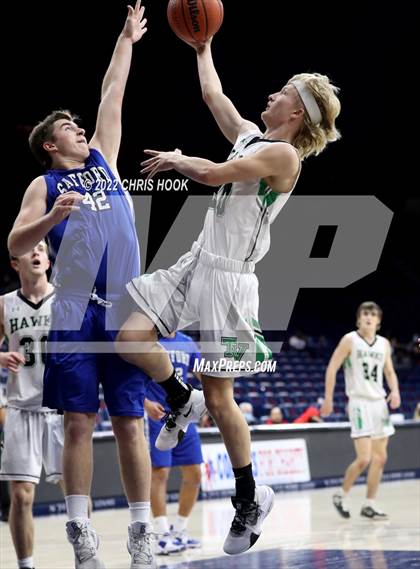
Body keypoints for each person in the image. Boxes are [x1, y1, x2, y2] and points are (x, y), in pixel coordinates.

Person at [116, 36, 341, 555]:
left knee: (221, 398)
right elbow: (215, 95)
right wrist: (203, 47)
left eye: (283, 92)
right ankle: (178, 397)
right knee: (130, 337)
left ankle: (248, 496)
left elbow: (214, 174)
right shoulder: (250, 137)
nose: (272, 95)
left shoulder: (284, 156)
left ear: (299, 113)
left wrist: (177, 158)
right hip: (198, 260)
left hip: (232, 282)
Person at [7, 4, 155, 568]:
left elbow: (112, 91)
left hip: (122, 307)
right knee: (77, 422)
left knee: (130, 421)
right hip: (73, 311)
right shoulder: (43, 183)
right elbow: (17, 246)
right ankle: (79, 527)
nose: (80, 129)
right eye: (68, 127)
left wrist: (126, 40)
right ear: (49, 143)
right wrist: (50, 219)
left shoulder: (105, 158)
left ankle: (142, 531)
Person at [0, 241, 62, 569]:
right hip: (21, 409)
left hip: (60, 409)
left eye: (42, 248)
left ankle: (86, 557)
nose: (37, 253)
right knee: (22, 496)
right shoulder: (4, 305)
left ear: (49, 260)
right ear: (15, 264)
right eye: (29, 249)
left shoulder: (66, 301)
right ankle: (26, 565)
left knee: (75, 493)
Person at [321, 301, 401, 520]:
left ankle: (369, 503)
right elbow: (332, 367)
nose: (369, 317)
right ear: (358, 319)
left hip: (379, 404)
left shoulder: (384, 343)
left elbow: (390, 372)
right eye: (365, 313)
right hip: (358, 402)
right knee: (364, 458)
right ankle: (341, 495)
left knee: (381, 458)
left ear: (379, 321)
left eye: (373, 314)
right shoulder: (350, 340)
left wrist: (394, 391)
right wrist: (328, 398)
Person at [144, 331, 202, 555]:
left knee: (195, 474)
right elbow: (130, 379)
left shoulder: (188, 342)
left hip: (185, 413)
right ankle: (160, 535)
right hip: (158, 415)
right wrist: (146, 403)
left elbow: (202, 374)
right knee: (160, 473)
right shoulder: (148, 339)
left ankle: (179, 531)